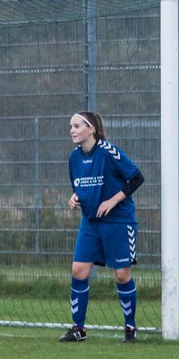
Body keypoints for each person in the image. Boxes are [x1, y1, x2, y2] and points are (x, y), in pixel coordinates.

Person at [60, 111, 144, 343]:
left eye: (77, 126)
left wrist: (112, 200)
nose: (72, 130)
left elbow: (137, 178)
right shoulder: (74, 157)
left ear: (92, 129)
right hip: (90, 223)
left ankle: (130, 327)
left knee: (121, 275)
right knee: (78, 270)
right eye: (71, 126)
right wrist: (74, 199)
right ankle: (79, 329)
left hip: (118, 221)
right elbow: (79, 187)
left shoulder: (109, 152)